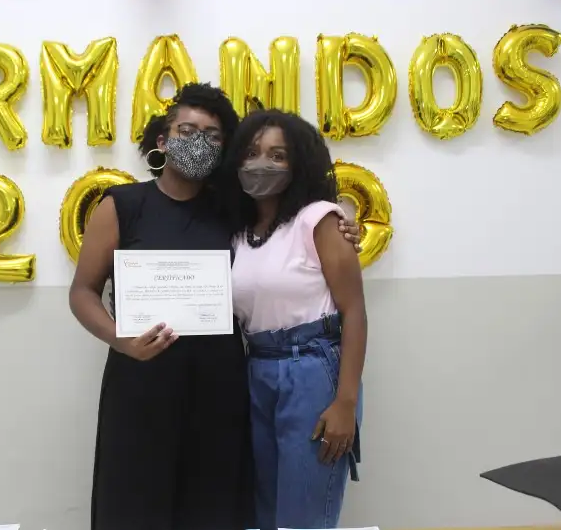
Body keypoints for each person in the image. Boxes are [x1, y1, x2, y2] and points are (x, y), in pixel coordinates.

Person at [69, 84, 361, 530]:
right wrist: (119, 339)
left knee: (215, 508)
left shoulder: (233, 210)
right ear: (162, 139)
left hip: (220, 389)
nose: (198, 142)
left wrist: (343, 213)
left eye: (212, 135)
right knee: (133, 504)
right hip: (141, 384)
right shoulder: (123, 206)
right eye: (187, 131)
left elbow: (294, 208)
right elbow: (82, 293)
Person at [224, 109, 368, 530]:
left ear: (299, 163)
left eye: (278, 155)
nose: (261, 164)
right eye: (252, 152)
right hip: (257, 369)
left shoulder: (318, 219)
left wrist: (346, 402)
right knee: (263, 510)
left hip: (312, 368)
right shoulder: (239, 233)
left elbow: (355, 312)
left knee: (303, 515)